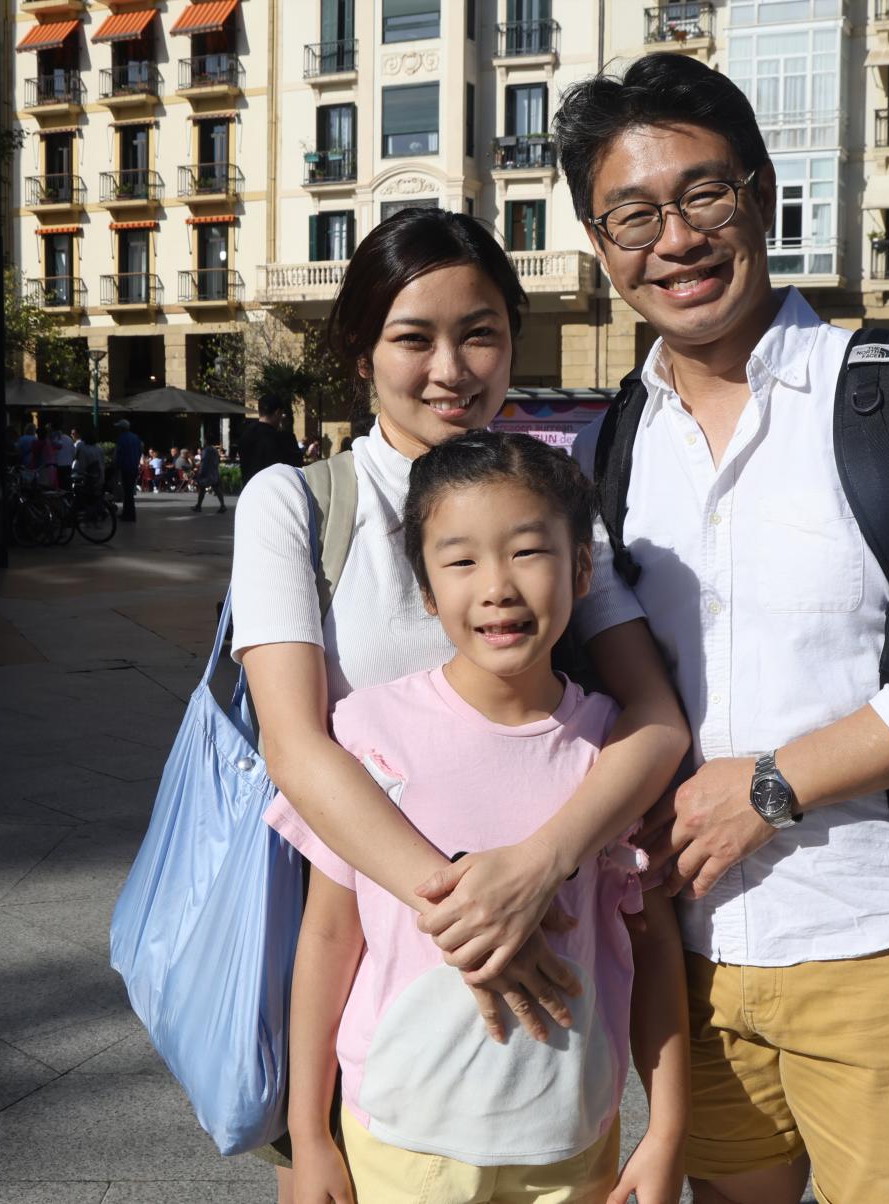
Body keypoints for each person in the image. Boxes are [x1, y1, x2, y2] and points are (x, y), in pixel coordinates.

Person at [554, 54, 889, 1204]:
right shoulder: (608, 448)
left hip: (886, 944)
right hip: (692, 965)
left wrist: (771, 785)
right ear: (600, 245)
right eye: (632, 214)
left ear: (762, 192)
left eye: (702, 195)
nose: (672, 238)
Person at [229, 207, 689, 1204]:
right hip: (385, 955)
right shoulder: (298, 505)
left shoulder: (549, 503)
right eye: (412, 336)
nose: (451, 366)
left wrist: (538, 869)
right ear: (360, 349)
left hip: (553, 1021)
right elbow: (297, 746)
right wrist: (468, 911)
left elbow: (652, 719)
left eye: (479, 332)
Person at [281, 430, 688, 1204]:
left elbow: (654, 943)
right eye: (461, 561)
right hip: (402, 1142)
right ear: (427, 591)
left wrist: (666, 1133)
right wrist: (308, 1136)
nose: (496, 586)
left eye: (528, 552)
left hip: (570, 1145)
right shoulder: (369, 731)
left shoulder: (615, 749)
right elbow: (331, 936)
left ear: (580, 570)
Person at [239, 393, 305, 484]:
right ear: (277, 412)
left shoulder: (245, 435)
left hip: (249, 492)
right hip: (274, 493)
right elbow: (296, 468)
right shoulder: (283, 439)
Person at [113, 419, 142, 522]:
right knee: (129, 492)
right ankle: (129, 513)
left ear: (122, 428)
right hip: (134, 467)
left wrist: (116, 465)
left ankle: (128, 514)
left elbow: (117, 454)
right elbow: (140, 452)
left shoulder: (121, 438)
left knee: (127, 492)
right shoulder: (135, 437)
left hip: (125, 467)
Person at [191, 440, 226, 513]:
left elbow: (204, 462)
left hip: (206, 473)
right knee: (217, 489)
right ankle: (222, 505)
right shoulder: (215, 450)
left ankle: (198, 506)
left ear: (206, 442)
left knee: (202, 489)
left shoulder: (206, 450)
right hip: (214, 472)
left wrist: (200, 472)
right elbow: (218, 460)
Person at [72, 427, 105, 495]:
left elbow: (78, 461)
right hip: (100, 478)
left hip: (88, 479)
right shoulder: (99, 449)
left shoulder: (83, 448)